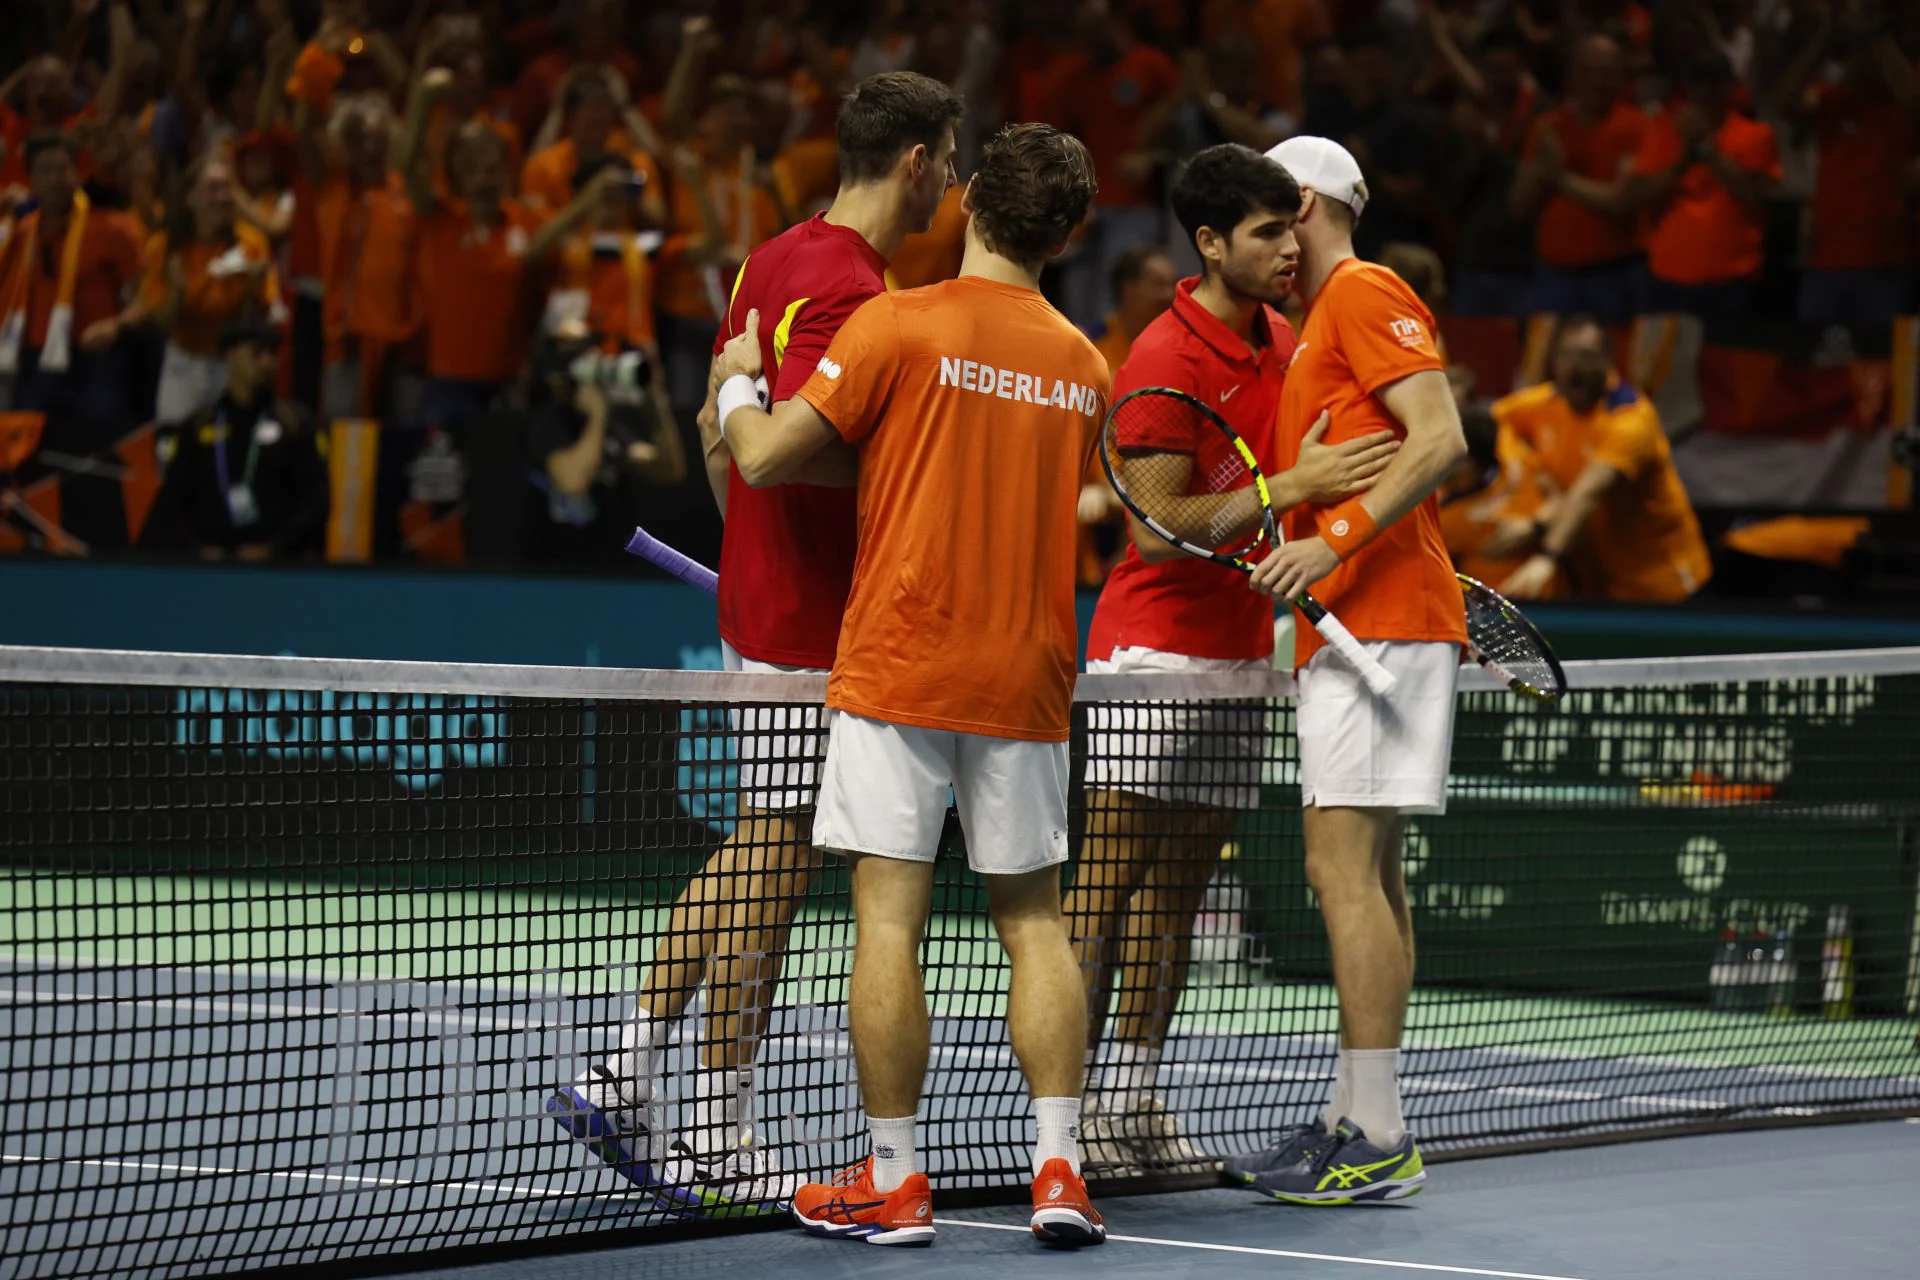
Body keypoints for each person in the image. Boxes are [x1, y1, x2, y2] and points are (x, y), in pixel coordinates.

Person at [549, 71, 963, 1218]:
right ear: (919, 161)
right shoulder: (847, 292)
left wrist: (754, 557)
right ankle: (645, 1082)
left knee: (768, 860)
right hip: (810, 623)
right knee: (769, 854)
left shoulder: (771, 259)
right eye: (952, 162)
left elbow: (716, 431)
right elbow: (782, 446)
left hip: (770, 604)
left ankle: (686, 1105)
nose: (956, 186)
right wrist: (901, 468)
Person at [709, 118, 1110, 1250]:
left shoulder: (895, 323)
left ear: (971, 197)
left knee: (888, 917)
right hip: (1028, 672)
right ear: (1067, 235)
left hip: (900, 662)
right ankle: (1061, 1169)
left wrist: (739, 383)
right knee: (1035, 922)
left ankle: (894, 1177)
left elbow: (768, 455)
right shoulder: (1085, 363)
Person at [1068, 143, 1398, 1176]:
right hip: (1152, 655)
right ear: (1209, 242)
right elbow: (1161, 526)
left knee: (1177, 899)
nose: (1287, 250)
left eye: (1288, 230)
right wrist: (1290, 481)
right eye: (1265, 235)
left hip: (1241, 657)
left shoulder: (1290, 338)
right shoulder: (1163, 358)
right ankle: (1060, 1117)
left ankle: (1133, 1097)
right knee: (1105, 893)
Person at [1231, 136, 1468, 1205]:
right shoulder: (1318, 319)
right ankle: (1355, 1109)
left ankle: (1379, 1128)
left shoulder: (1365, 288)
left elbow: (1440, 435)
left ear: (1311, 203)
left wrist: (1334, 539)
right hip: (1357, 625)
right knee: (1370, 874)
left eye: (1278, 214)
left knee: (1339, 872)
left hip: (1381, 624)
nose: (1272, 239)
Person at [1487, 314, 1710, 602]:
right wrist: (1533, 470)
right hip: (1604, 584)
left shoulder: (1631, 420)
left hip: (1667, 587)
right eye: (1566, 355)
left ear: (1608, 360)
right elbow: (1487, 423)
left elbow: (1588, 492)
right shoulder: (1544, 403)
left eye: (1587, 356)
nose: (1574, 368)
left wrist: (1546, 555)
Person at [142, 314, 329, 560]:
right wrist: (198, 549)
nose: (268, 362)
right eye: (257, 353)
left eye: (273, 354)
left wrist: (275, 548)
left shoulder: (296, 423)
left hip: (279, 567)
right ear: (230, 355)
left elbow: (317, 499)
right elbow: (174, 500)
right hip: (210, 566)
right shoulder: (198, 426)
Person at [0, 133, 143, 440]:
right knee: (29, 455)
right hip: (35, 363)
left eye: (63, 168)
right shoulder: (19, 231)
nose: (55, 178)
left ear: (77, 173)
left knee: (97, 451)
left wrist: (117, 325)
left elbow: (145, 296)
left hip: (97, 360)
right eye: (45, 170)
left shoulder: (113, 228)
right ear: (31, 179)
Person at [1624, 55, 1780, 324]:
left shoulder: (1756, 134)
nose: (1708, 90)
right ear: (1688, 87)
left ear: (1730, 86)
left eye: (1716, 81)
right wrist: (1682, 163)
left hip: (1730, 282)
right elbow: (1637, 196)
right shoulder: (1664, 128)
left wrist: (1706, 148)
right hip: (1665, 279)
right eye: (1700, 82)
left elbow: (1754, 196)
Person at [139, 151, 285, 426]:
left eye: (227, 187)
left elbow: (261, 319)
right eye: (212, 188)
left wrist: (255, 287)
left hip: (235, 368)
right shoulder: (164, 245)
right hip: (185, 363)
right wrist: (177, 294)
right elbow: (161, 322)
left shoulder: (251, 243)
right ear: (190, 199)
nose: (222, 197)